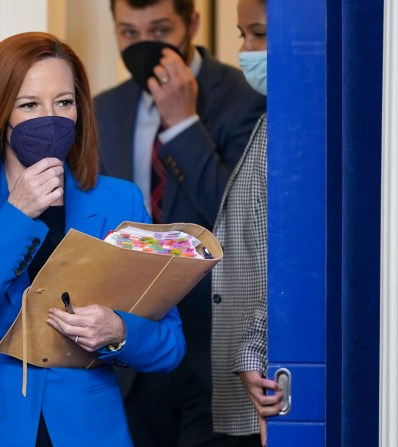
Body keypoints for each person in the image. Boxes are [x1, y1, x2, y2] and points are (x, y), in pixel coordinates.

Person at [0, 32, 186, 447]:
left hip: (89, 430)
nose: (52, 118)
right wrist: (17, 214)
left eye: (64, 102)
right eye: (29, 105)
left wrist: (118, 330)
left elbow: (170, 346)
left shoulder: (119, 200)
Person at [94, 1, 267, 445]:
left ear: (191, 23)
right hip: (129, 347)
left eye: (159, 29)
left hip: (214, 351)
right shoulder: (103, 112)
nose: (143, 45)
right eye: (129, 34)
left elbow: (239, 221)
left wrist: (182, 123)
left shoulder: (247, 98)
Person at [211, 0, 283, 446]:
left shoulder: (302, 124)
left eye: (258, 34)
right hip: (254, 383)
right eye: (242, 35)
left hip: (270, 379)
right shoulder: (276, 115)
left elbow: (290, 255)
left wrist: (255, 343)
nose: (245, 50)